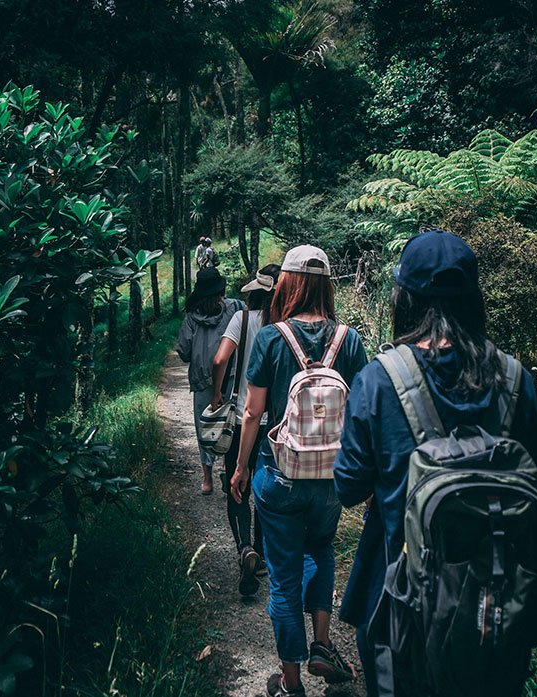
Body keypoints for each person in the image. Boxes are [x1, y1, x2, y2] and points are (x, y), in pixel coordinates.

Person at [333, 229, 537, 697]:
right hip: (497, 610)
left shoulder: (379, 381)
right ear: (473, 299)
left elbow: (349, 488)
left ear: (405, 298)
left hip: (401, 611)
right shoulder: (515, 381)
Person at [231, 245, 368, 697]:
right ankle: (323, 645)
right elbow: (363, 412)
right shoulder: (349, 339)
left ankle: (290, 684)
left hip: (280, 473)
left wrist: (241, 467)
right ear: (327, 285)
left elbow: (252, 415)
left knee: (284, 578)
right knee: (322, 550)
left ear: (286, 283)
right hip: (331, 476)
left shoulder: (272, 338)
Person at [211, 264, 281, 596]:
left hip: (242, 419)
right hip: (277, 426)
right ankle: (262, 554)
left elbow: (219, 360)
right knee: (265, 488)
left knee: (237, 486)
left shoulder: (242, 320)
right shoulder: (284, 326)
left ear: (254, 291)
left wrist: (216, 392)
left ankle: (243, 548)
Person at [176, 267, 243, 494]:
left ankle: (207, 479)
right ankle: (227, 468)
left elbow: (183, 352)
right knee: (231, 424)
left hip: (203, 379)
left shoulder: (191, 319)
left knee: (204, 427)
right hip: (231, 377)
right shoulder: (235, 308)